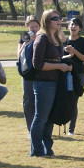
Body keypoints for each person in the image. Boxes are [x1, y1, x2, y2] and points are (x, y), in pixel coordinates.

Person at [30, 10, 72, 157]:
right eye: (55, 19)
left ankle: (47, 148)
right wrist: (59, 66)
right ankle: (37, 150)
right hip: (43, 83)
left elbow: (59, 51)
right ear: (47, 20)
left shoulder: (54, 37)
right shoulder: (41, 38)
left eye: (60, 18)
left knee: (49, 119)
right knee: (41, 117)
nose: (59, 20)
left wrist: (66, 62)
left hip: (55, 82)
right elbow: (37, 64)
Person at [64, 17, 84, 135]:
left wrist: (74, 51)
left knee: (73, 101)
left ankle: (71, 129)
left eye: (76, 25)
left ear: (80, 28)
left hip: (79, 75)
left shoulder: (83, 41)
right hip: (65, 74)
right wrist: (67, 54)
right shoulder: (64, 41)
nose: (73, 26)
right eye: (71, 24)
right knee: (65, 100)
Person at [17, 15, 40, 131]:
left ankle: (39, 128)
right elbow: (19, 55)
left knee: (39, 101)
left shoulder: (42, 37)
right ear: (27, 27)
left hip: (39, 74)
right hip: (27, 74)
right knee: (28, 101)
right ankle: (30, 128)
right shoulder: (23, 38)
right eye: (32, 27)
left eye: (36, 26)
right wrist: (26, 42)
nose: (34, 29)